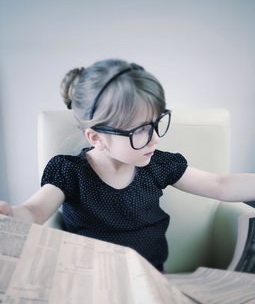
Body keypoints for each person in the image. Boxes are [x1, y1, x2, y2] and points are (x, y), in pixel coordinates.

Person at [1, 58, 255, 271]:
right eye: (141, 130)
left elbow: (219, 185)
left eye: (157, 122)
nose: (155, 138)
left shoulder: (157, 164)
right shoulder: (69, 172)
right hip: (93, 282)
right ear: (97, 138)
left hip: (151, 279)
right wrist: (12, 216)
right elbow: (34, 211)